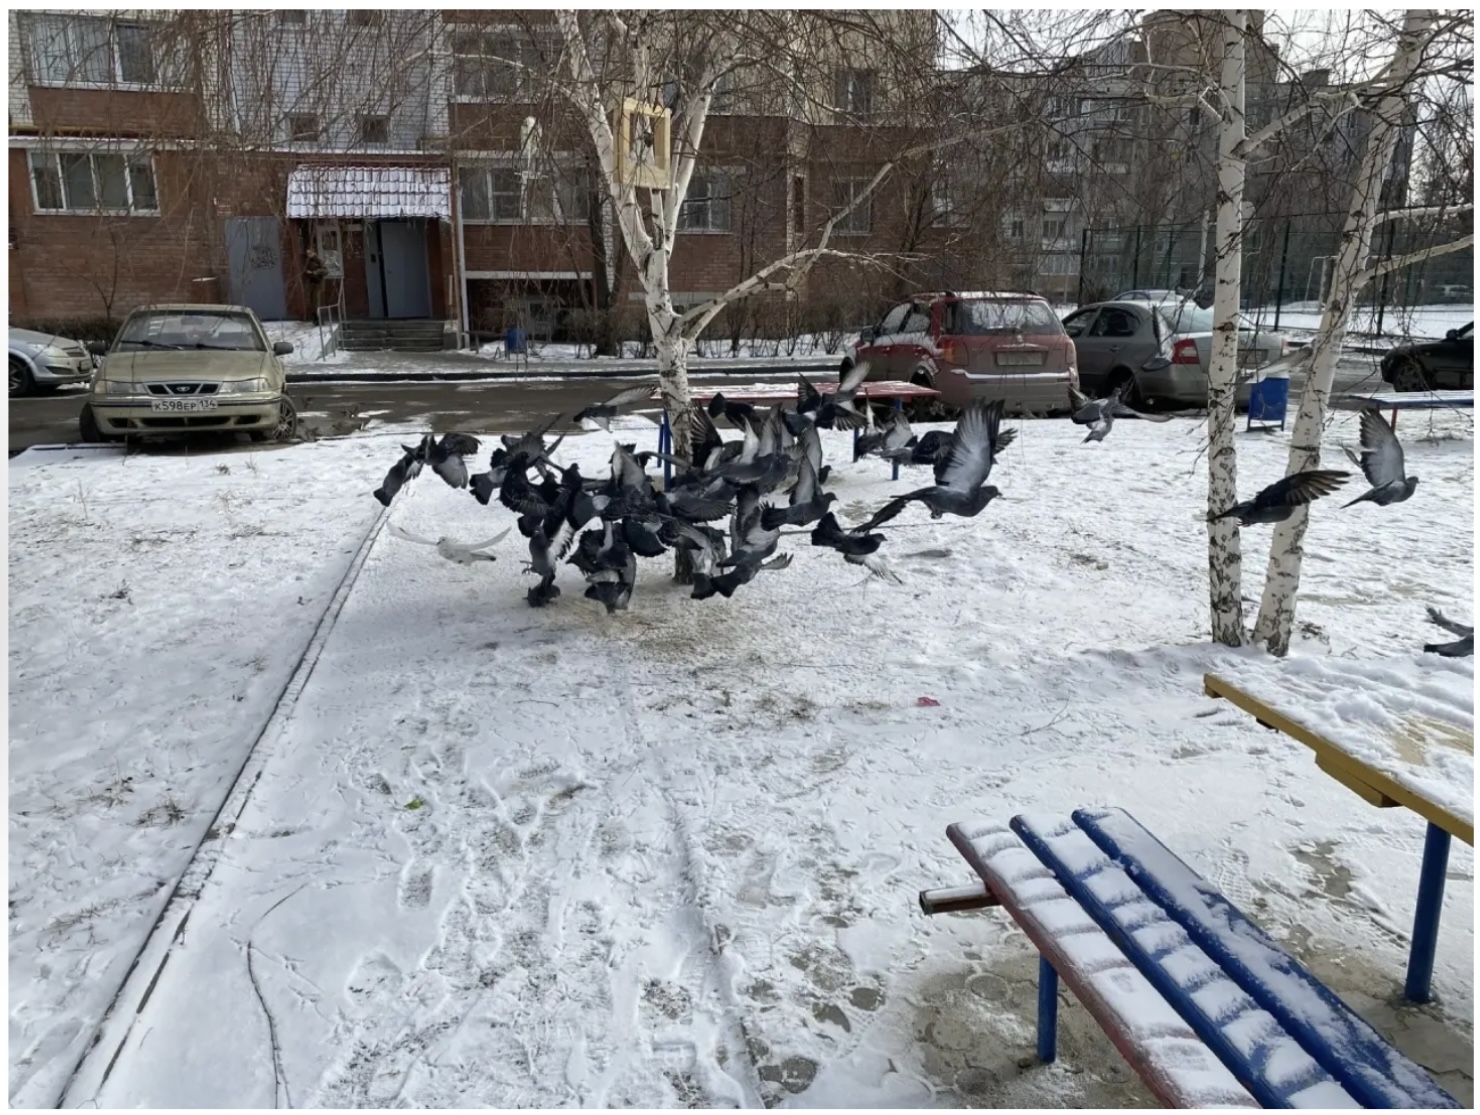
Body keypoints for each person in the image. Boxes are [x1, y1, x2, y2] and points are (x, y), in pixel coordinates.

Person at [304, 248, 328, 321]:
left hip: (318, 283)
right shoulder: (308, 261)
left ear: (314, 253)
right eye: (308, 254)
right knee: (312, 302)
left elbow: (325, 271)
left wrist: (315, 272)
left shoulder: (319, 261)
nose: (309, 255)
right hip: (311, 283)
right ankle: (315, 318)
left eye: (310, 253)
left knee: (317, 301)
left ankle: (319, 318)